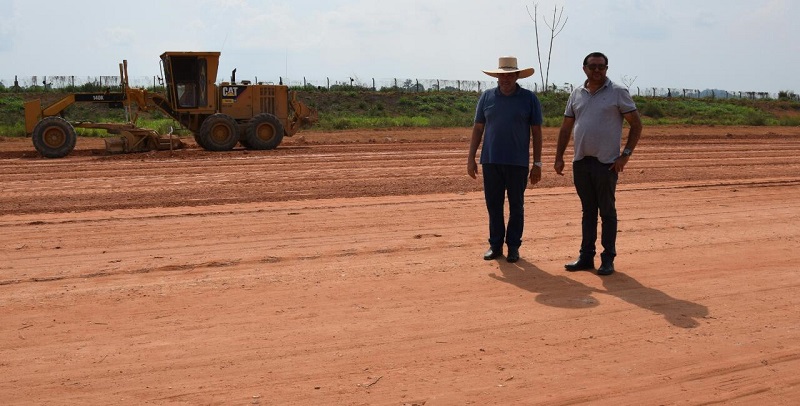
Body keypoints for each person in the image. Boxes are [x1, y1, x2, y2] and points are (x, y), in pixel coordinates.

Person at [554, 51, 643, 276]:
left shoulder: (618, 92)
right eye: (592, 67)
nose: (597, 71)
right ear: (584, 68)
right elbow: (566, 127)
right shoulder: (576, 94)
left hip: (607, 164)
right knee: (588, 211)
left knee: (607, 211)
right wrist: (559, 156)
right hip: (581, 161)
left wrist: (626, 154)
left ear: (606, 69)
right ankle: (586, 256)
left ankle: (608, 258)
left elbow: (636, 124)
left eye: (601, 67)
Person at [468, 56, 544, 263]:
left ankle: (513, 247)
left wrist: (537, 163)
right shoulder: (486, 97)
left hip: (517, 162)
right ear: (497, 77)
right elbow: (478, 129)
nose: (505, 79)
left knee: (516, 206)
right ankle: (495, 245)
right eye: (502, 75)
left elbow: (536, 132)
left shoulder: (529, 99)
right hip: (491, 160)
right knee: (494, 205)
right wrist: (471, 158)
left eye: (510, 75)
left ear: (517, 76)